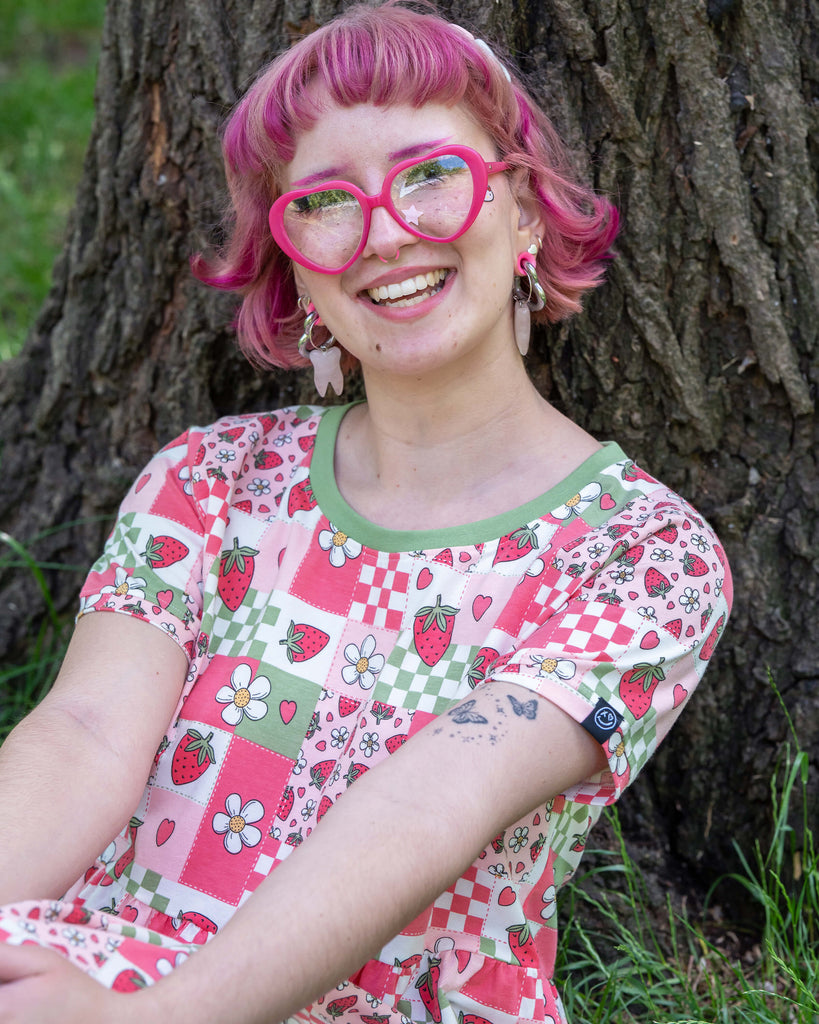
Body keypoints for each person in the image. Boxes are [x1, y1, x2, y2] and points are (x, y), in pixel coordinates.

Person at [0, 4, 732, 1022]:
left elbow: (433, 804)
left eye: (432, 174)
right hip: (108, 964)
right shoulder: (212, 481)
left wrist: (154, 1019)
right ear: (295, 264)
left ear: (522, 208)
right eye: (327, 202)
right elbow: (83, 731)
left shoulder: (641, 557)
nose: (386, 233)